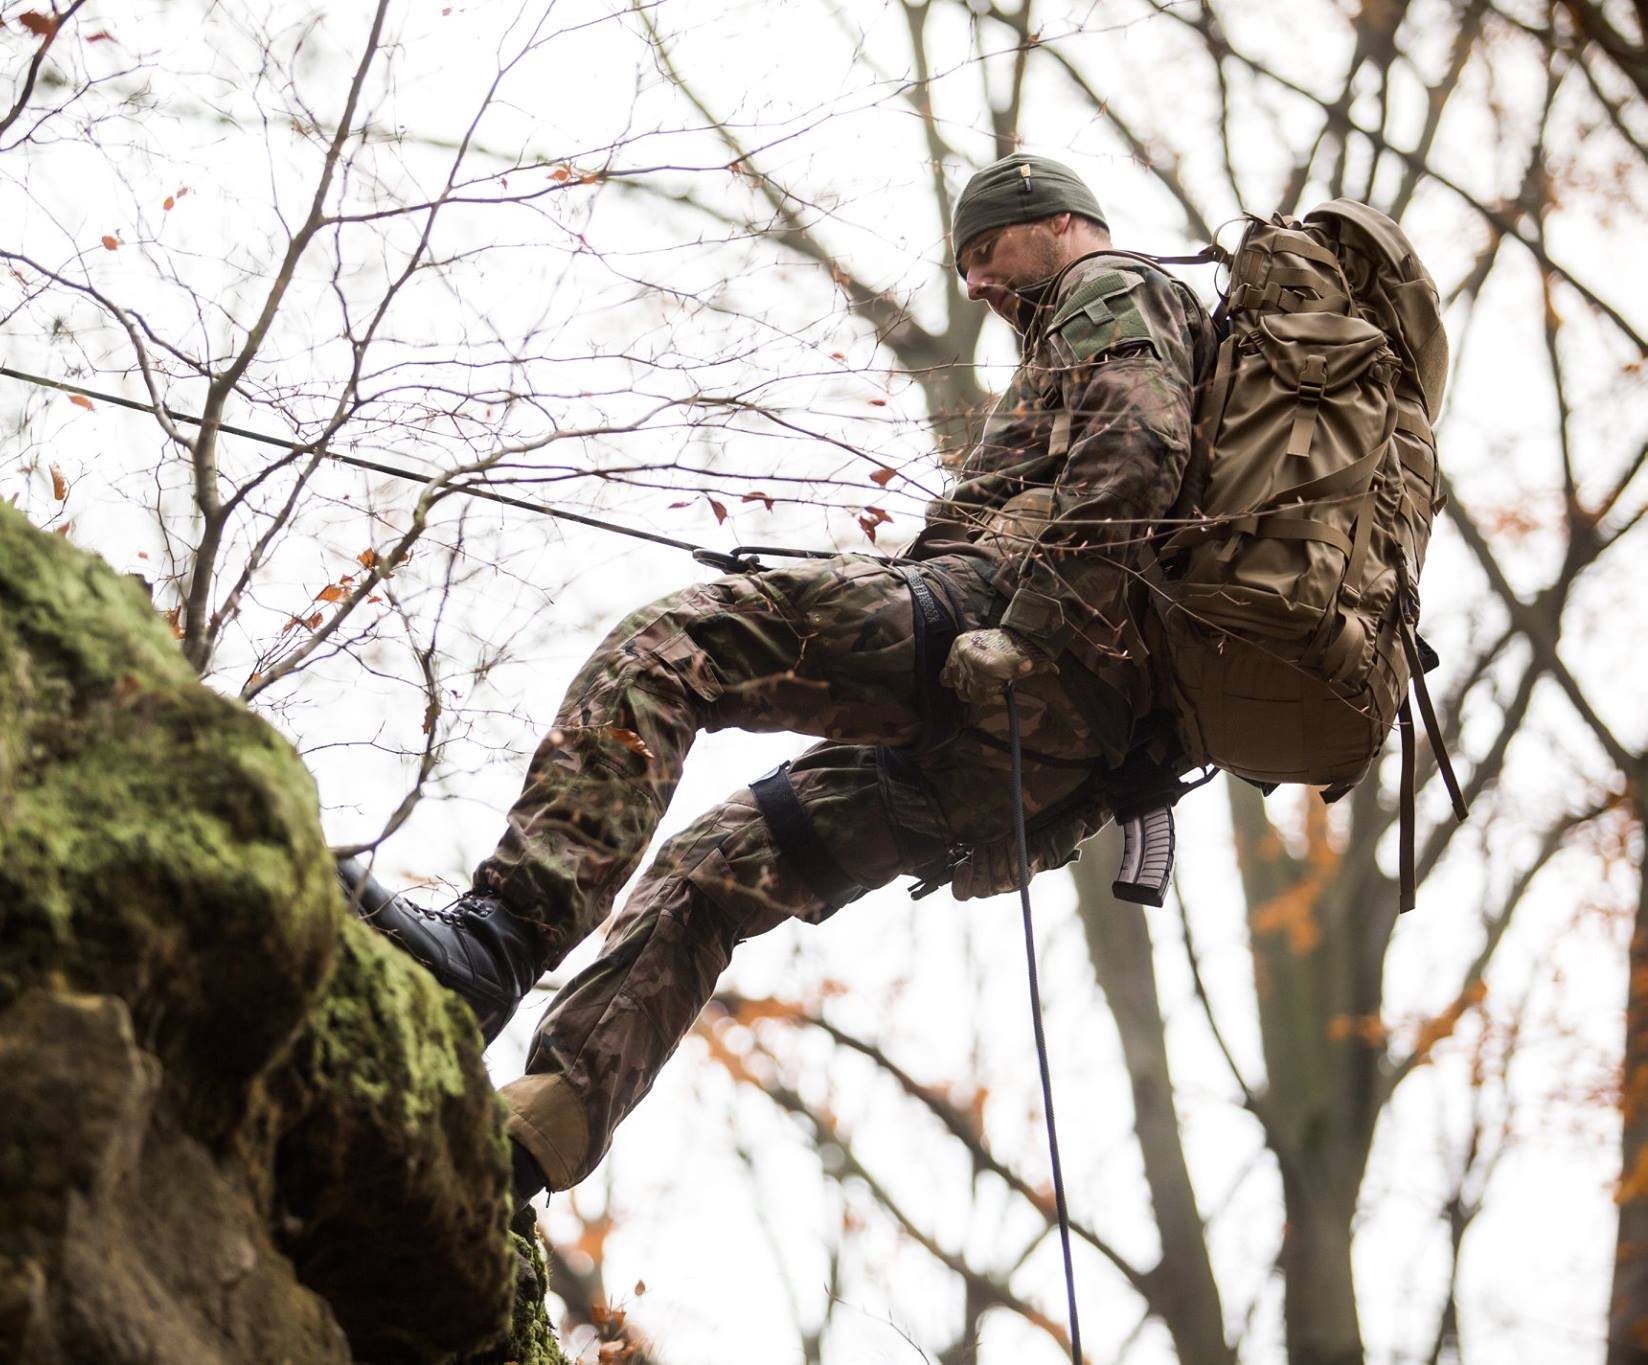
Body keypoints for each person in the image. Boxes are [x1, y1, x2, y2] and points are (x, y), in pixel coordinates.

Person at [340, 152, 1215, 1205]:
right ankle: (515, 1154)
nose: (977, 283)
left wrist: (1028, 634)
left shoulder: (1107, 284)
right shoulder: (1110, 328)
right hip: (1049, 751)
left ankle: (495, 942)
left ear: (1062, 220)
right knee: (714, 869)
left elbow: (1133, 451)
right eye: (965, 266)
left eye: (988, 251)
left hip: (1006, 642)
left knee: (679, 645)